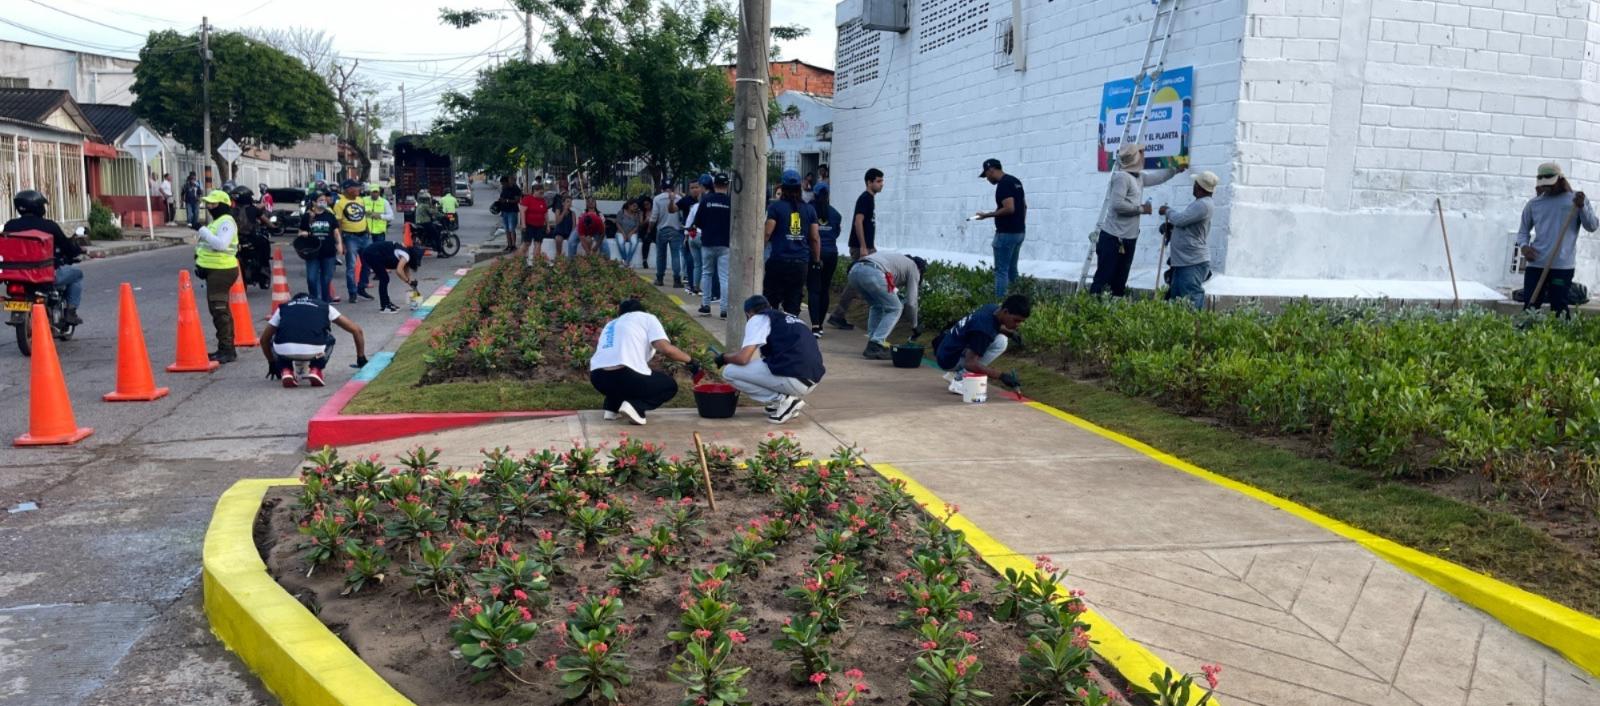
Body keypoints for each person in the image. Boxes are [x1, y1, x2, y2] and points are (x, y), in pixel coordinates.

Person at [1091, 143, 1184, 297]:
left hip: (1128, 238)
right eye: (1141, 153)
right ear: (1136, 158)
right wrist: (1141, 209)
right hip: (1113, 238)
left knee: (1119, 282)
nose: (1144, 155)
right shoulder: (1122, 177)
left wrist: (1175, 170)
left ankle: (1110, 315)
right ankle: (1093, 313)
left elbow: (1156, 178)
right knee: (1104, 279)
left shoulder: (1138, 177)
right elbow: (1116, 205)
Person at [716, 295, 825, 424]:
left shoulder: (758, 318)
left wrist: (724, 358)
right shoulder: (788, 318)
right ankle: (785, 402)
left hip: (795, 379)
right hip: (810, 379)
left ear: (749, 313)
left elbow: (743, 358)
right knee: (763, 362)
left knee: (730, 372)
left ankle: (784, 400)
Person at [588, 298, 698, 425]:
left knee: (630, 377)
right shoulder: (647, 318)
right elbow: (666, 349)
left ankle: (612, 408)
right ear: (641, 310)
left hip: (597, 378)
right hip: (623, 375)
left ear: (620, 313)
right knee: (668, 386)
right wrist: (690, 360)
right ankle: (636, 407)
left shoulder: (611, 324)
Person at [1518, 162, 1598, 317]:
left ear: (1561, 180)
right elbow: (1523, 232)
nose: (1547, 188)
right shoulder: (1534, 204)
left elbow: (1592, 226)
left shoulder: (1576, 200)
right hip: (1536, 264)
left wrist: (1582, 207)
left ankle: (1561, 339)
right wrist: (1524, 247)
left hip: (1562, 266)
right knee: (1530, 306)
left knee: (1559, 307)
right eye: (1544, 185)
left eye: (1550, 184)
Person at [4, 190, 85, 325]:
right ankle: (71, 312)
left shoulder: (10, 226)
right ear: (38, 207)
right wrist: (77, 251)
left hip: (16, 275)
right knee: (77, 274)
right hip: (44, 275)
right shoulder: (49, 226)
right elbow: (67, 246)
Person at [261, 292, 368, 388]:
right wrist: (361, 358)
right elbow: (356, 330)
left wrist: (272, 363)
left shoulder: (283, 307)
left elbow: (264, 339)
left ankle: (286, 369)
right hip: (314, 350)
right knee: (330, 338)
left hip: (284, 350)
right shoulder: (325, 307)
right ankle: (316, 369)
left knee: (274, 339)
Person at [934, 295, 1030, 395]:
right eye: (1016, 320)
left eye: (1021, 322)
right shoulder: (983, 330)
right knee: (1001, 342)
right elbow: (970, 363)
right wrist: (1002, 376)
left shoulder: (992, 308)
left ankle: (954, 374)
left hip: (946, 349)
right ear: (1005, 312)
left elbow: (991, 326)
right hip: (949, 360)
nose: (1018, 324)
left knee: (1001, 339)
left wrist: (1010, 333)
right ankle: (960, 379)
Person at [826, 167, 883, 330]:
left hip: (867, 247)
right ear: (869, 182)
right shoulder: (864, 199)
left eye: (882, 181)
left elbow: (867, 225)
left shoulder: (870, 199)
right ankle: (839, 314)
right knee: (857, 282)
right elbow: (858, 222)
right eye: (878, 181)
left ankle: (839, 314)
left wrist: (871, 245)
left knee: (858, 282)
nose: (881, 184)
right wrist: (864, 247)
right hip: (860, 247)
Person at [763, 169, 821, 317]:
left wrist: (759, 251)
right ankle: (790, 333)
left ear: (782, 187)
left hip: (778, 261)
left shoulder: (775, 207)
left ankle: (771, 334)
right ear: (799, 188)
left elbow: (768, 232)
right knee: (793, 303)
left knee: (771, 301)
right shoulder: (809, 210)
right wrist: (816, 259)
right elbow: (814, 237)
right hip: (800, 263)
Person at [847, 251, 926, 360]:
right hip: (873, 273)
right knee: (896, 308)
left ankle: (873, 341)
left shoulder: (898, 261)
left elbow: (890, 288)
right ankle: (876, 344)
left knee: (877, 305)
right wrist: (915, 325)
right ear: (920, 270)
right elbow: (912, 303)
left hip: (854, 272)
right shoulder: (914, 268)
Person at [1158, 171, 1218, 309]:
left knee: (1191, 301)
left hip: (1192, 262)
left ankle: (1193, 329)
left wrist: (1167, 210)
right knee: (1177, 300)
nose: (1193, 186)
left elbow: (1180, 219)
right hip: (1184, 261)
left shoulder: (1203, 204)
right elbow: (1186, 223)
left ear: (1200, 187)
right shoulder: (1200, 203)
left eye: (1195, 184)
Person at [195, 189, 241, 362]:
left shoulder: (226, 222)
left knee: (220, 310)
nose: (209, 207)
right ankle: (225, 347)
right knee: (218, 310)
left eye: (213, 204)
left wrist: (202, 230)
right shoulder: (218, 221)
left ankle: (227, 349)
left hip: (222, 271)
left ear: (222, 205)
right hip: (214, 271)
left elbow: (221, 245)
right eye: (208, 204)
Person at [974, 158, 1029, 298]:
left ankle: (1000, 304)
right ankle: (1017, 302)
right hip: (1019, 232)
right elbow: (1024, 206)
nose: (987, 179)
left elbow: (1009, 208)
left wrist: (986, 215)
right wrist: (1021, 224)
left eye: (986, 175)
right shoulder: (1015, 181)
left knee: (1001, 271)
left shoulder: (1003, 185)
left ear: (991, 170)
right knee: (1012, 270)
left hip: (1005, 234)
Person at [806, 183, 843, 337]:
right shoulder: (835, 213)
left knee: (814, 290)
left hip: (815, 254)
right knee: (824, 289)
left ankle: (814, 326)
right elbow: (836, 233)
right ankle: (820, 325)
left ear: (814, 194)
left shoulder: (808, 210)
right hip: (831, 254)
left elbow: (809, 235)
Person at [697, 173, 734, 317]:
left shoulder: (706, 200)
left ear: (714, 185)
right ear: (727, 185)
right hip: (725, 244)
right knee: (724, 277)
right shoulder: (731, 202)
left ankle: (705, 305)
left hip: (708, 242)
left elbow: (698, 221)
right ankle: (724, 310)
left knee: (707, 273)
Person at [359, 242, 425, 313]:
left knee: (384, 278)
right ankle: (385, 306)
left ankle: (387, 303)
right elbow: (399, 271)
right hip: (372, 253)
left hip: (373, 252)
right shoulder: (406, 256)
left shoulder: (405, 253)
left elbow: (406, 272)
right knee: (384, 279)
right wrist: (408, 281)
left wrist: (413, 285)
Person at [334, 179, 371, 303]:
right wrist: (341, 242)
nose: (359, 190)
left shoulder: (360, 200)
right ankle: (352, 292)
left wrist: (367, 229)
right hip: (350, 237)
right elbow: (338, 224)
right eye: (357, 188)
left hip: (364, 236)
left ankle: (362, 287)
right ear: (349, 189)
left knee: (368, 263)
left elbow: (363, 216)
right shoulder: (340, 204)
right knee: (351, 266)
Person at [296, 198, 340, 303]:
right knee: (311, 278)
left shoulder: (329, 215)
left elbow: (336, 232)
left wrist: (339, 244)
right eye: (320, 200)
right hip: (312, 252)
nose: (323, 202)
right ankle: (314, 300)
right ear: (314, 202)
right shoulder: (308, 216)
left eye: (324, 200)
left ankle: (325, 302)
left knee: (326, 279)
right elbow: (300, 232)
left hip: (328, 252)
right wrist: (304, 234)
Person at [652, 182, 685, 286]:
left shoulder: (657, 199)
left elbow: (654, 216)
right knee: (676, 255)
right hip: (675, 229)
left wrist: (649, 229)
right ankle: (676, 280)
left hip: (662, 229)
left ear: (662, 188)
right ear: (672, 188)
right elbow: (681, 215)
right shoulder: (679, 198)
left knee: (661, 255)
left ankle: (660, 278)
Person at [681, 177, 708, 293]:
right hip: (702, 235)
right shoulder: (707, 206)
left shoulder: (695, 207)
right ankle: (703, 287)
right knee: (705, 265)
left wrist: (686, 237)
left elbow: (688, 222)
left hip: (692, 236)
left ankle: (695, 286)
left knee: (697, 264)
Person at [519, 185, 548, 259]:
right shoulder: (527, 199)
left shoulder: (543, 200)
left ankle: (536, 262)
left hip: (540, 225)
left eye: (542, 193)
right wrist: (523, 224)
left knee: (538, 243)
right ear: (535, 191)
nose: (542, 194)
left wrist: (547, 225)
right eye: (540, 193)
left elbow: (545, 213)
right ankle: (519, 259)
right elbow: (522, 212)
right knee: (526, 243)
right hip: (529, 225)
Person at [496, 176, 522, 251]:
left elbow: (517, 200)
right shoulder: (504, 189)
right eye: (502, 184)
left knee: (511, 229)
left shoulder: (515, 189)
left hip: (512, 211)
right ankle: (509, 245)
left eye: (503, 184)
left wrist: (507, 201)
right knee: (506, 229)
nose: (503, 185)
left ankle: (513, 245)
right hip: (504, 211)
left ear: (507, 182)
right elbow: (502, 197)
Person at [615, 198, 642, 266]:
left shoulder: (636, 214)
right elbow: (617, 223)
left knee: (634, 243)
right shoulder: (621, 212)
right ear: (629, 205)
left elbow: (637, 226)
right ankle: (625, 260)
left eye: (636, 206)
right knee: (621, 243)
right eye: (634, 206)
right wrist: (623, 233)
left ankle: (627, 261)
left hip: (632, 232)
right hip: (621, 231)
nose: (635, 208)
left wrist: (631, 233)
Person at [552, 188, 575, 259]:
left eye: (570, 202)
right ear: (563, 203)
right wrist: (564, 211)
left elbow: (574, 226)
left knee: (573, 239)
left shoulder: (572, 213)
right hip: (559, 232)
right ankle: (558, 256)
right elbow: (557, 221)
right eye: (568, 201)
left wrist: (571, 235)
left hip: (568, 232)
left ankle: (571, 258)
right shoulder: (558, 210)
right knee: (558, 239)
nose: (569, 203)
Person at [637, 195, 655, 268]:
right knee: (646, 240)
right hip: (644, 230)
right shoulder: (642, 212)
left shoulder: (654, 210)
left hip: (653, 230)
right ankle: (644, 260)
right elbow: (641, 225)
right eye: (644, 205)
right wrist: (646, 220)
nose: (646, 206)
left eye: (648, 204)